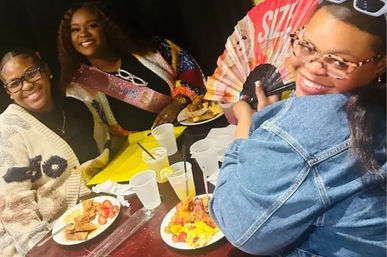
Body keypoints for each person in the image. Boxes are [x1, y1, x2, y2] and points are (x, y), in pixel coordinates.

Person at [209, 1, 386, 256]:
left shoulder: (305, 134)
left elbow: (238, 226)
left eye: (338, 62)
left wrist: (245, 125)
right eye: (306, 46)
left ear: (380, 64)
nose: (313, 67)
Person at [0, 49, 110, 257]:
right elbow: (16, 211)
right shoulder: (8, 131)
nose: (27, 85)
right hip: (50, 238)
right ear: (9, 91)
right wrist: (47, 251)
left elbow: (102, 154)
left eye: (31, 73)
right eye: (15, 83)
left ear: (47, 70)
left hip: (94, 219)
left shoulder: (75, 107)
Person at [57, 1, 206, 137]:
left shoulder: (150, 49)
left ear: (106, 27)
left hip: (196, 128)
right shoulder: (78, 89)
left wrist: (179, 102)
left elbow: (189, 69)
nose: (83, 34)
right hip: (144, 154)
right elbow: (98, 136)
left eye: (92, 26)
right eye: (75, 30)